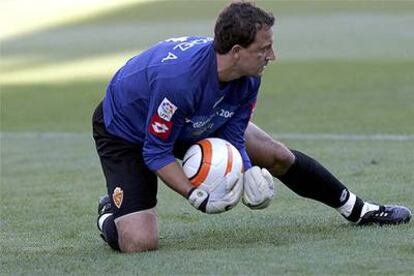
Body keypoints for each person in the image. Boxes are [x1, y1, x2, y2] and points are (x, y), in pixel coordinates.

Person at [92, 1, 411, 253]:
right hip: (126, 131)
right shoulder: (178, 82)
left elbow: (232, 132)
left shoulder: (248, 76)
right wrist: (195, 194)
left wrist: (246, 170)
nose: (273, 55)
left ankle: (359, 209)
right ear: (236, 52)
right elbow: (156, 150)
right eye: (264, 48)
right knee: (139, 243)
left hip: (195, 116)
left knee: (275, 155)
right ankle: (111, 213)